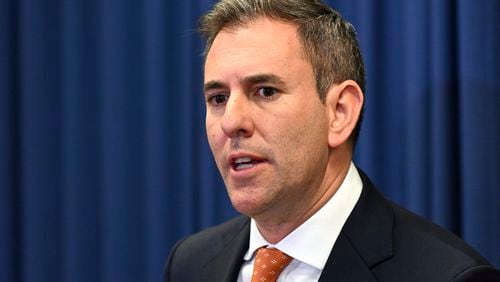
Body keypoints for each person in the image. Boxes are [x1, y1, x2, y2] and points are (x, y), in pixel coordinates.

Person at [165, 0, 500, 281]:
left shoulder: (448, 276)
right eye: (218, 98)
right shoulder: (189, 263)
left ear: (339, 112)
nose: (232, 122)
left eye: (265, 91)